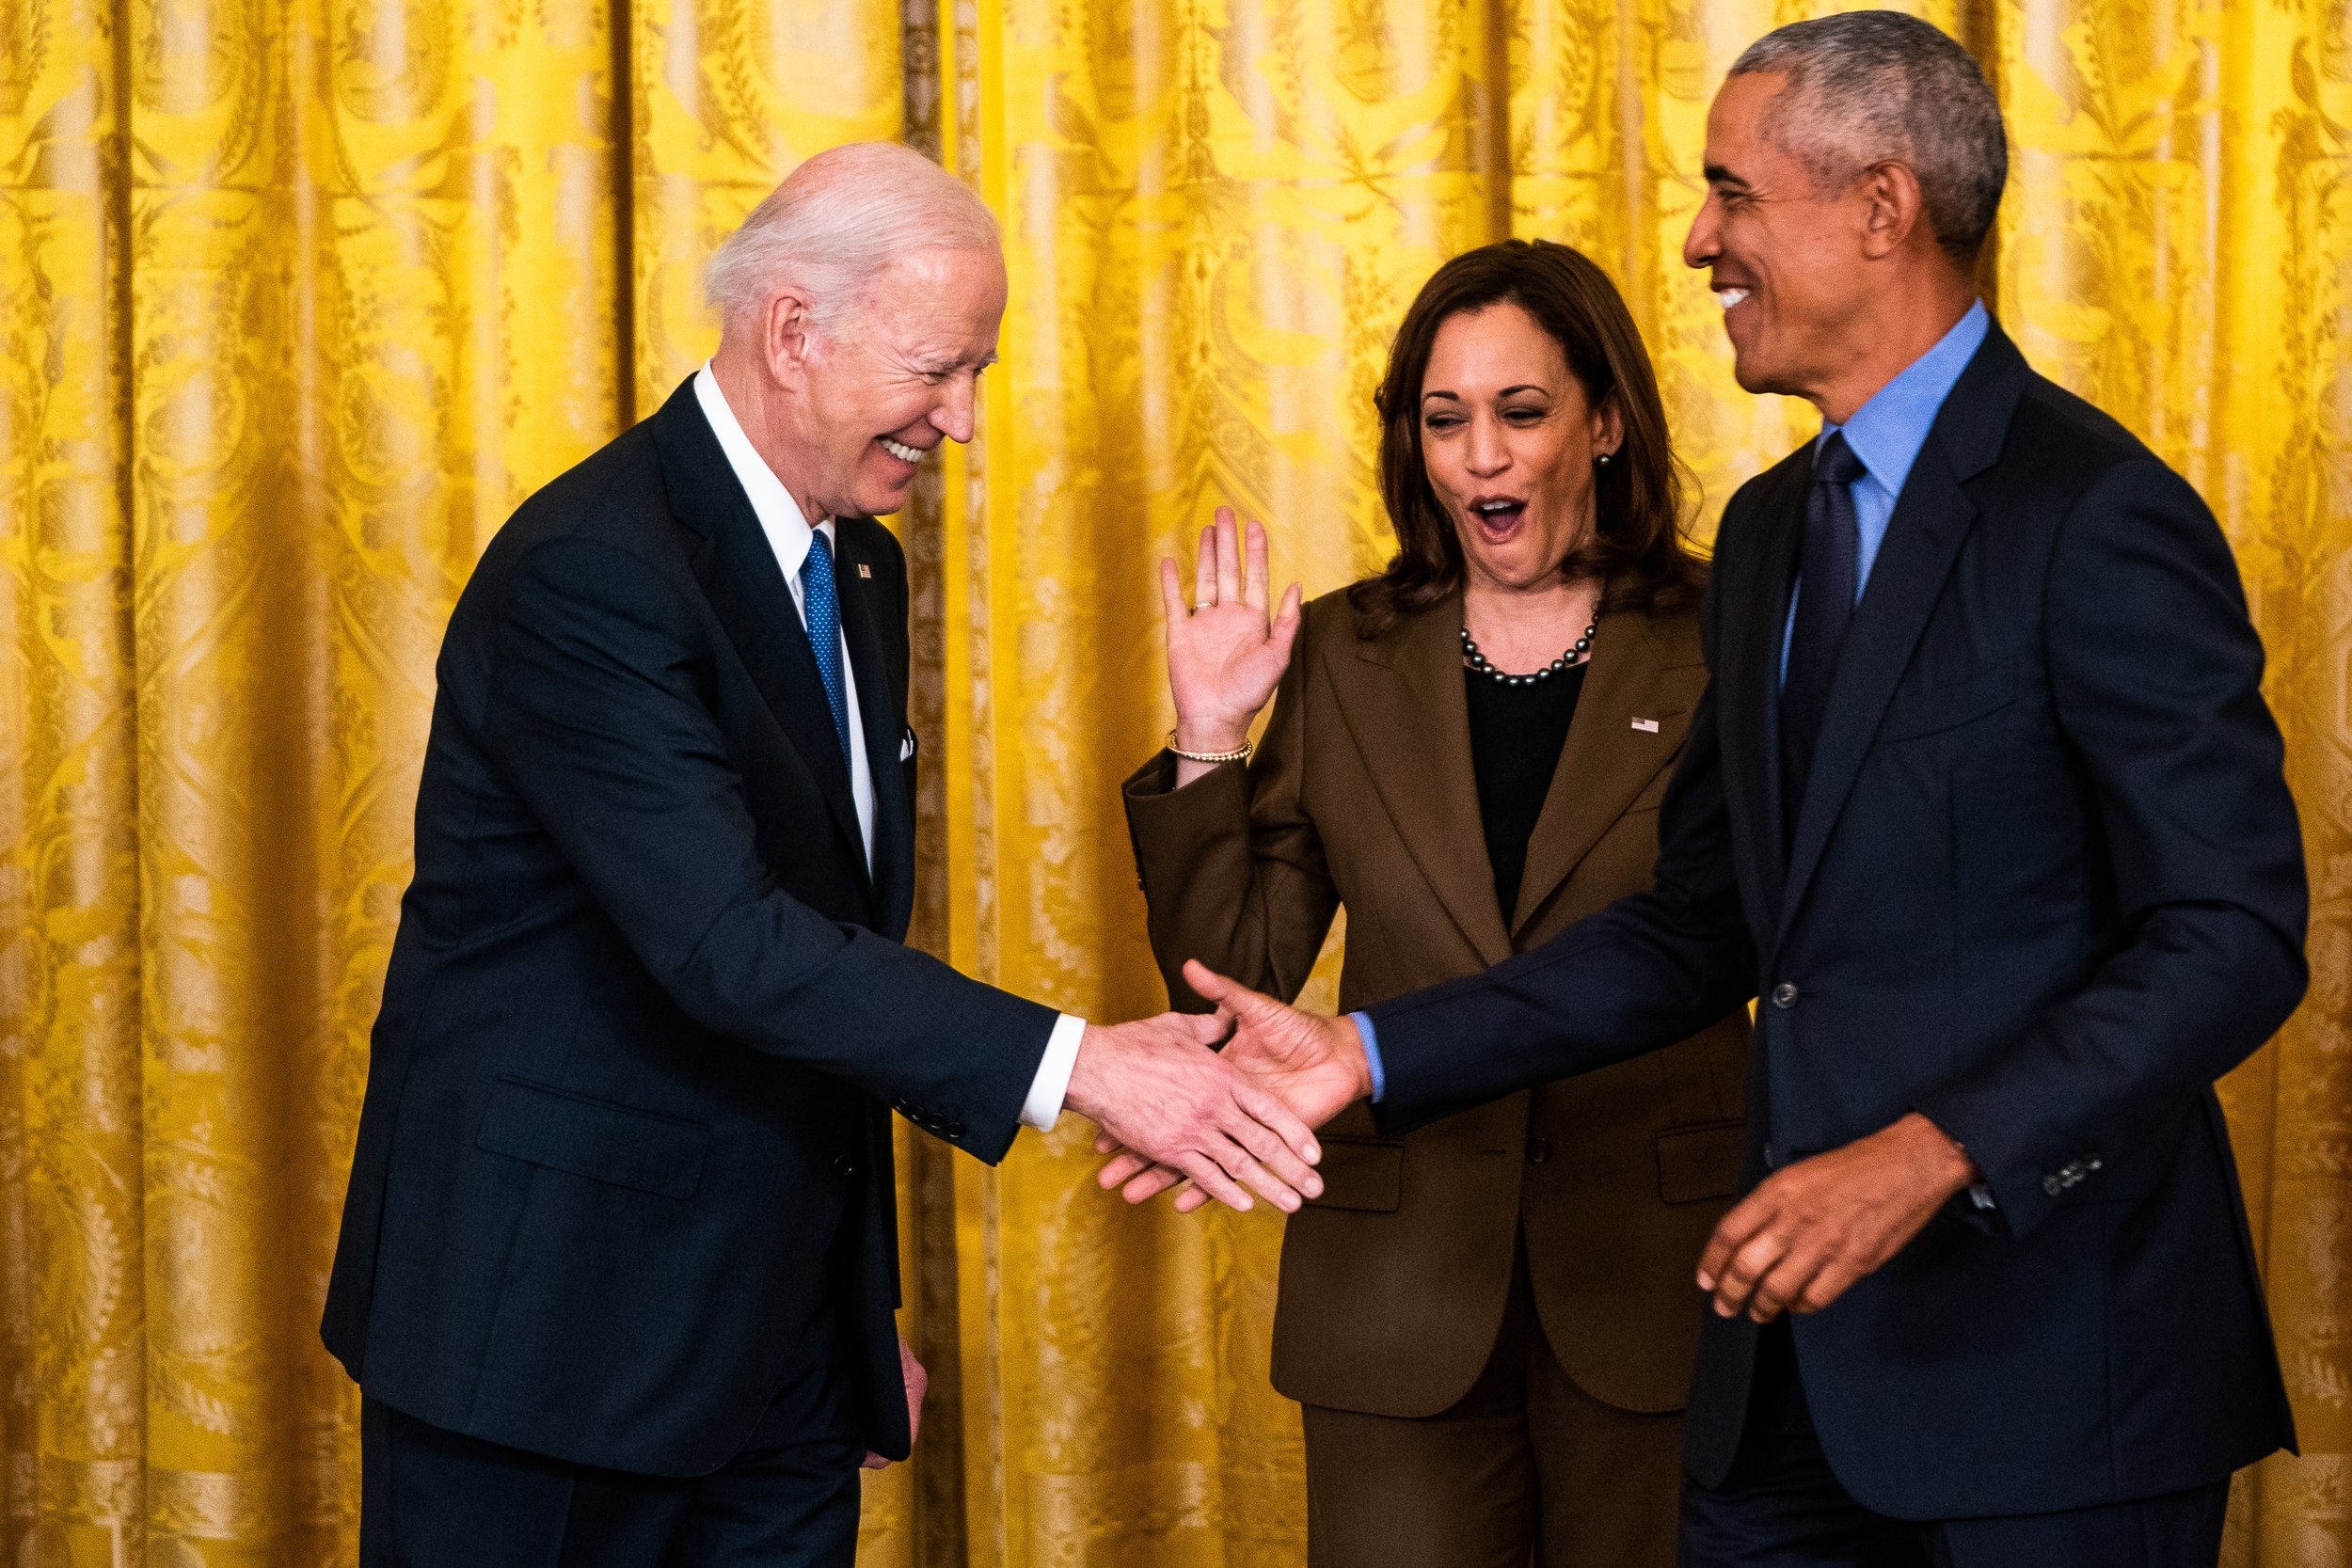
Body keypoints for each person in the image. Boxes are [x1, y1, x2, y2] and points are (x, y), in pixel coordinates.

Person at [1109, 14, 2307, 1565]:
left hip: (2056, 1384)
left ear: (1881, 209)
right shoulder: (1770, 536)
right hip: (1781, 1396)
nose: (1695, 240)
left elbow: (2230, 932)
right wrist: (1369, 1052)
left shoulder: (2098, 514)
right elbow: (1702, 926)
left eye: (1732, 195)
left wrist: (1930, 1152)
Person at [322, 141, 1322, 1568]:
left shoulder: (857, 561)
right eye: (940, 368)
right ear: (794, 332)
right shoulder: (592, 569)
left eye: (979, 370)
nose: (964, 421)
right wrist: (1086, 1067)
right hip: (545, 1350)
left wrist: (853, 1328)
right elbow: (729, 943)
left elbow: (832, 953)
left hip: (774, 1363)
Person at [1116, 239, 1748, 1568]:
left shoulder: (1726, 633)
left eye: (1521, 414)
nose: (1481, 458)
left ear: (1607, 422)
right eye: (1445, 420)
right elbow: (1230, 979)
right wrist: (1208, 734)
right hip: (1397, 1296)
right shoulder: (1347, 652)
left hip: (1659, 1277)